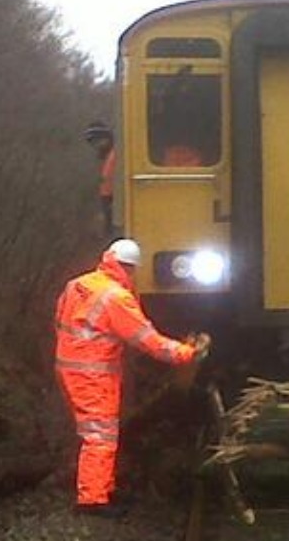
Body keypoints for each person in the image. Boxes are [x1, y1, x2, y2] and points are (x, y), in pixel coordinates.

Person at [54, 239, 210, 518]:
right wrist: (187, 353)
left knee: (98, 433)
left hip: (70, 367)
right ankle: (92, 500)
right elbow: (149, 341)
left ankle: (102, 488)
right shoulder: (117, 298)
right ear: (131, 268)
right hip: (93, 373)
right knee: (100, 436)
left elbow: (60, 321)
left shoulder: (78, 284)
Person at [83, 121, 116, 236]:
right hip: (108, 202)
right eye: (93, 142)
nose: (96, 145)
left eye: (98, 140)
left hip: (113, 202)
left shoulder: (116, 155)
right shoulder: (106, 156)